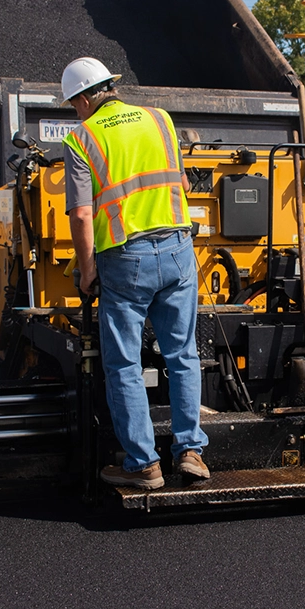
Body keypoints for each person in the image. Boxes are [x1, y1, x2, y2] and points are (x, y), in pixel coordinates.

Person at [61, 57, 208, 490]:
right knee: (182, 355)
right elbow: (177, 181)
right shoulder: (160, 119)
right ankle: (191, 452)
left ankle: (144, 464)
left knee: (124, 363)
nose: (76, 111)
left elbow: (83, 214)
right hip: (180, 249)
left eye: (74, 103)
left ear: (86, 98)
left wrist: (87, 271)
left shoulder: (82, 138)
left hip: (127, 260)